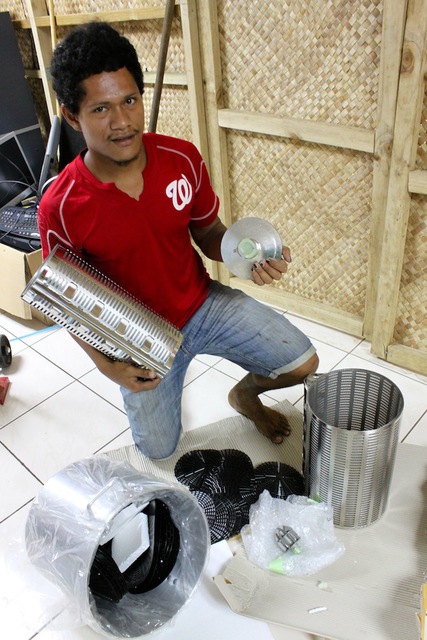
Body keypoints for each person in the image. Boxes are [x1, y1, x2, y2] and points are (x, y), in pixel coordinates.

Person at [38, 22, 319, 459]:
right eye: (101, 109)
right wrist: (107, 364)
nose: (122, 122)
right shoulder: (61, 205)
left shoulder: (181, 159)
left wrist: (248, 255)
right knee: (158, 451)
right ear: (72, 115)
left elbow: (208, 232)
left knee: (302, 364)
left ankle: (245, 398)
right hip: (140, 335)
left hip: (201, 303)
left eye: (130, 101)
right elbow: (67, 301)